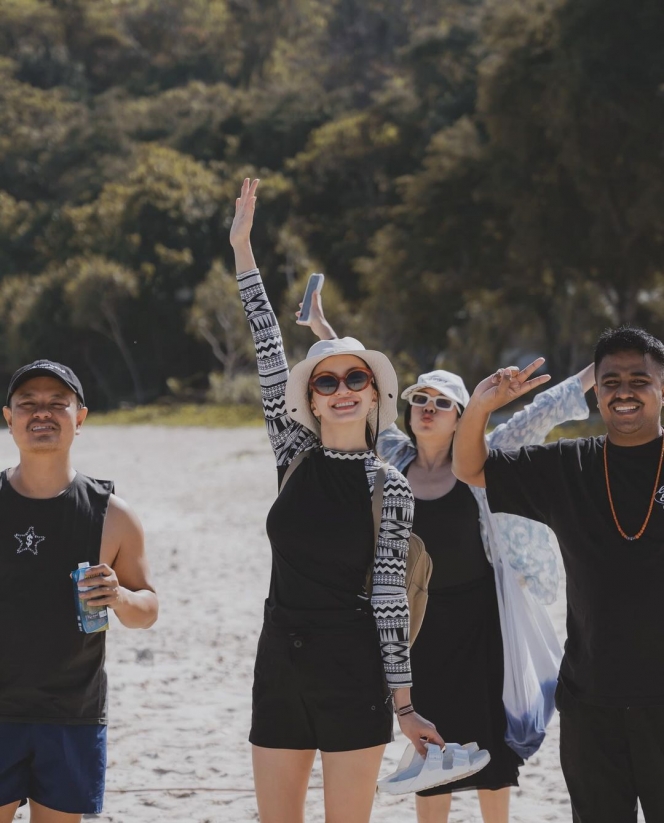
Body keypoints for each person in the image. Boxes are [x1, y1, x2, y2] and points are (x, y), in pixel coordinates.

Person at [299, 290, 594, 823]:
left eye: (442, 403)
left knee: (491, 743)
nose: (428, 409)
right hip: (419, 624)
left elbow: (543, 412)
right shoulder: (390, 453)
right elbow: (358, 380)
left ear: (461, 418)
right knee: (430, 747)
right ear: (408, 411)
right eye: (421, 400)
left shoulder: (487, 455)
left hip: (483, 620)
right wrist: (323, 328)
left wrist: (607, 365)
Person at [230, 178, 446, 823]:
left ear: (375, 393)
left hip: (353, 670)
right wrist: (243, 248)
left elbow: (388, 595)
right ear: (312, 398)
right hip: (279, 661)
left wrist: (403, 703)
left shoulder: (390, 484)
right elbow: (268, 345)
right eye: (327, 381)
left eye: (357, 378)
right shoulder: (292, 453)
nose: (343, 389)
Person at [452, 326, 664, 823]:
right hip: (591, 704)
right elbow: (470, 467)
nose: (625, 391)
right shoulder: (571, 465)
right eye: (611, 381)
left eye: (640, 379)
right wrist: (482, 406)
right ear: (598, 392)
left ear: (663, 387)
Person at [0, 360, 159, 823]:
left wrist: (118, 597)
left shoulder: (112, 515)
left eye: (57, 404)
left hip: (72, 712)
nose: (41, 413)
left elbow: (147, 609)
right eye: (27, 404)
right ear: (9, 418)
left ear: (81, 418)